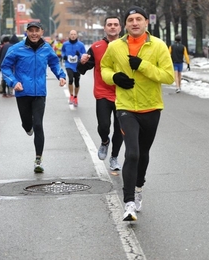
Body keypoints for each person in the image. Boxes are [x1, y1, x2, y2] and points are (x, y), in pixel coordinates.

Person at [101, 6, 174, 222]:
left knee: (143, 153)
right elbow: (104, 68)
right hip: (125, 107)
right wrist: (115, 78)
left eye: (138, 19)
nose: (134, 23)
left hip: (151, 107)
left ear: (146, 23)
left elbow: (168, 76)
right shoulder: (115, 47)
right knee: (131, 153)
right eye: (130, 20)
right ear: (125, 24)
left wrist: (142, 65)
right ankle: (129, 202)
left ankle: (139, 186)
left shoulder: (158, 46)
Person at [1, 21, 66, 173]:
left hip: (39, 94)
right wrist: (13, 82)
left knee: (38, 125)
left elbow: (54, 63)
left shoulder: (46, 48)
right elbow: (5, 67)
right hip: (22, 92)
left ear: (42, 32)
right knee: (27, 125)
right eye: (31, 31)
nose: (34, 33)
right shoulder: (17, 48)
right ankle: (27, 127)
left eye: (37, 30)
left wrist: (61, 76)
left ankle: (38, 159)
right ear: (27, 32)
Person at [77, 16, 123, 171]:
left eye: (115, 24)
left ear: (120, 28)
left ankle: (114, 157)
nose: (112, 27)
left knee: (120, 129)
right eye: (109, 24)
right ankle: (104, 142)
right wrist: (82, 62)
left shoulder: (127, 45)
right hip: (103, 93)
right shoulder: (96, 47)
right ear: (105, 28)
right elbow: (83, 69)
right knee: (104, 126)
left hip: (123, 95)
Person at [61, 30, 86, 107]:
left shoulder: (81, 45)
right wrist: (63, 56)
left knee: (77, 82)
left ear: (77, 35)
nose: (73, 36)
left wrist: (80, 54)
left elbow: (84, 54)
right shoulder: (65, 44)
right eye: (71, 34)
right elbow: (62, 51)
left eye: (74, 34)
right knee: (70, 79)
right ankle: (71, 95)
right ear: (69, 35)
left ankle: (75, 97)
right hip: (69, 65)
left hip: (77, 65)